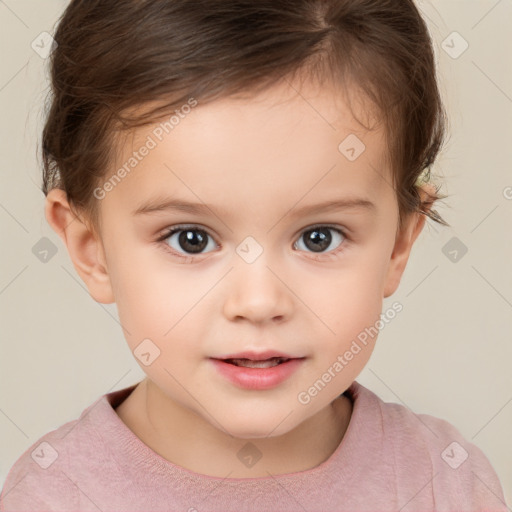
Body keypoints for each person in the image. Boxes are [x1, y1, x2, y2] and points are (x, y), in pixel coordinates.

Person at [1, 0, 508, 510]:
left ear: (398, 245)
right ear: (93, 251)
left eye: (319, 237)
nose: (260, 302)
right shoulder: (51, 496)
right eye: (191, 239)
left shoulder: (448, 484)